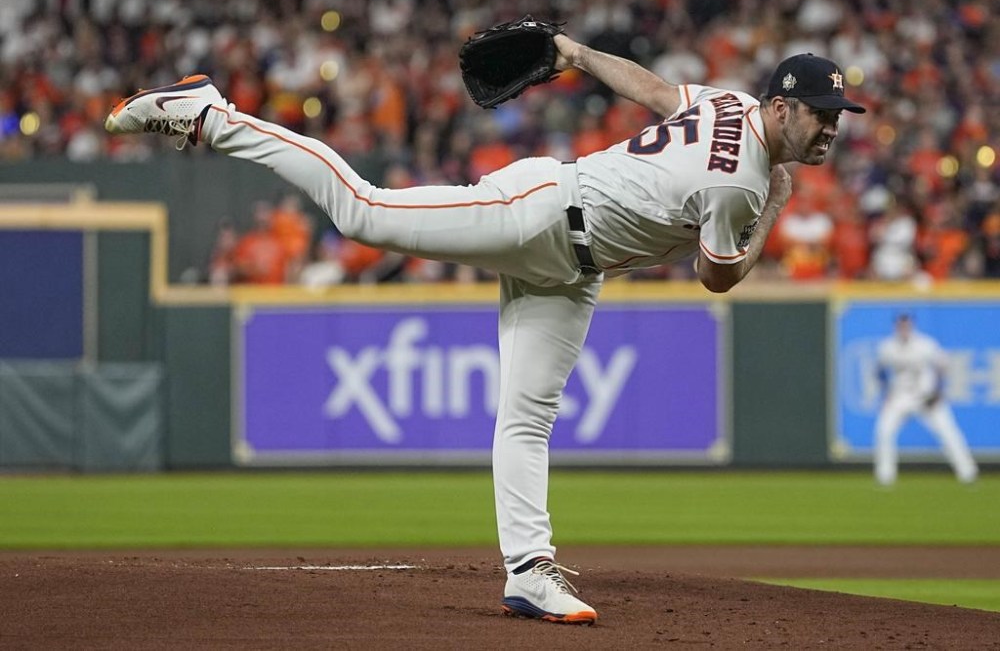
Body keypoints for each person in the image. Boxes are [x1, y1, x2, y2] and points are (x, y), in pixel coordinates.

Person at [104, 32, 865, 624]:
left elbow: (658, 91)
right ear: (782, 107)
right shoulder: (742, 183)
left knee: (528, 417)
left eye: (840, 117)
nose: (833, 129)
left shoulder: (729, 104)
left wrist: (574, 52)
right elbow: (718, 276)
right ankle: (212, 115)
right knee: (362, 210)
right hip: (537, 214)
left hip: (573, 264)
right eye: (823, 114)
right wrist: (776, 204)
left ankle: (529, 571)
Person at [874, 313, 978, 486]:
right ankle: (885, 476)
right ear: (896, 326)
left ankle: (968, 473)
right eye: (901, 325)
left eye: (907, 325)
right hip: (900, 397)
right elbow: (879, 371)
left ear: (912, 325)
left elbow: (942, 367)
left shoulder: (925, 344)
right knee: (884, 431)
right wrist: (886, 393)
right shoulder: (887, 346)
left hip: (926, 396)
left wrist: (937, 392)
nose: (904, 328)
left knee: (948, 432)